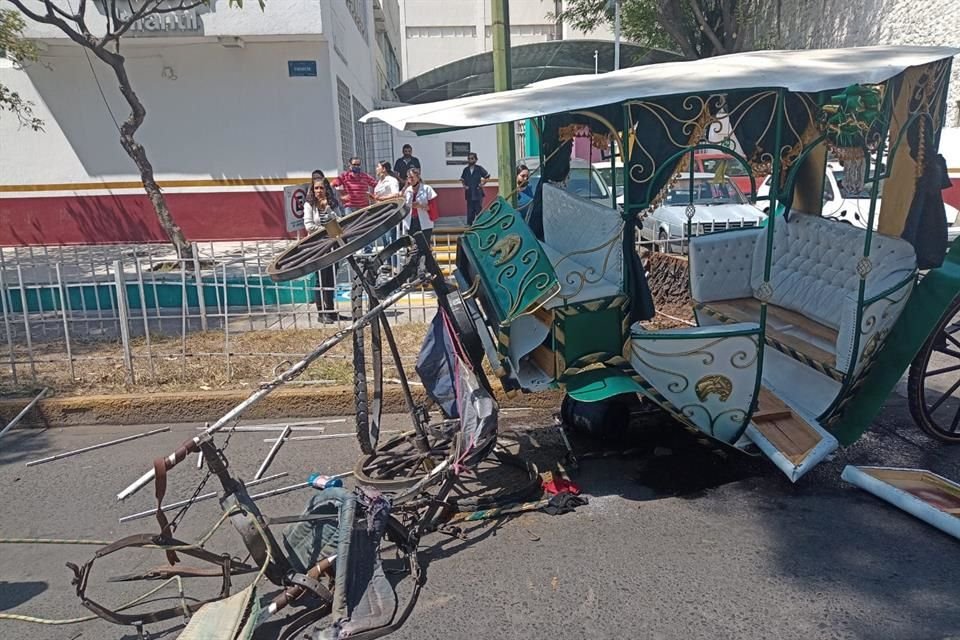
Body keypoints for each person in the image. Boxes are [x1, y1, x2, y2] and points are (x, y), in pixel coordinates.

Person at [303, 179, 339, 323]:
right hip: (318, 246)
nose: (319, 191)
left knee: (330, 279)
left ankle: (330, 311)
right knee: (320, 280)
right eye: (316, 188)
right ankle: (321, 313)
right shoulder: (309, 206)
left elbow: (339, 220)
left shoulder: (331, 203)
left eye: (321, 188)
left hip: (332, 245)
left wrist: (327, 209)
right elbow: (309, 226)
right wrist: (327, 231)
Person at [402, 167, 438, 245]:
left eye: (412, 177)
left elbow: (433, 207)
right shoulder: (407, 190)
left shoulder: (427, 189)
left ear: (418, 177)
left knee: (424, 245)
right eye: (408, 177)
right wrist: (404, 188)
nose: (410, 179)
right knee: (412, 246)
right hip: (410, 222)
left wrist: (421, 206)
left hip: (423, 222)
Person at [459, 152, 490, 225]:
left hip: (477, 192)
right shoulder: (465, 170)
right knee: (470, 211)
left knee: (478, 210)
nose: (470, 160)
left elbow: (487, 176)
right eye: (469, 159)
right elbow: (462, 179)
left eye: (472, 158)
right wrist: (464, 186)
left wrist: (482, 184)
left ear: (476, 160)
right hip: (469, 193)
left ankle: (481, 225)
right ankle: (469, 225)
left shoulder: (479, 169)